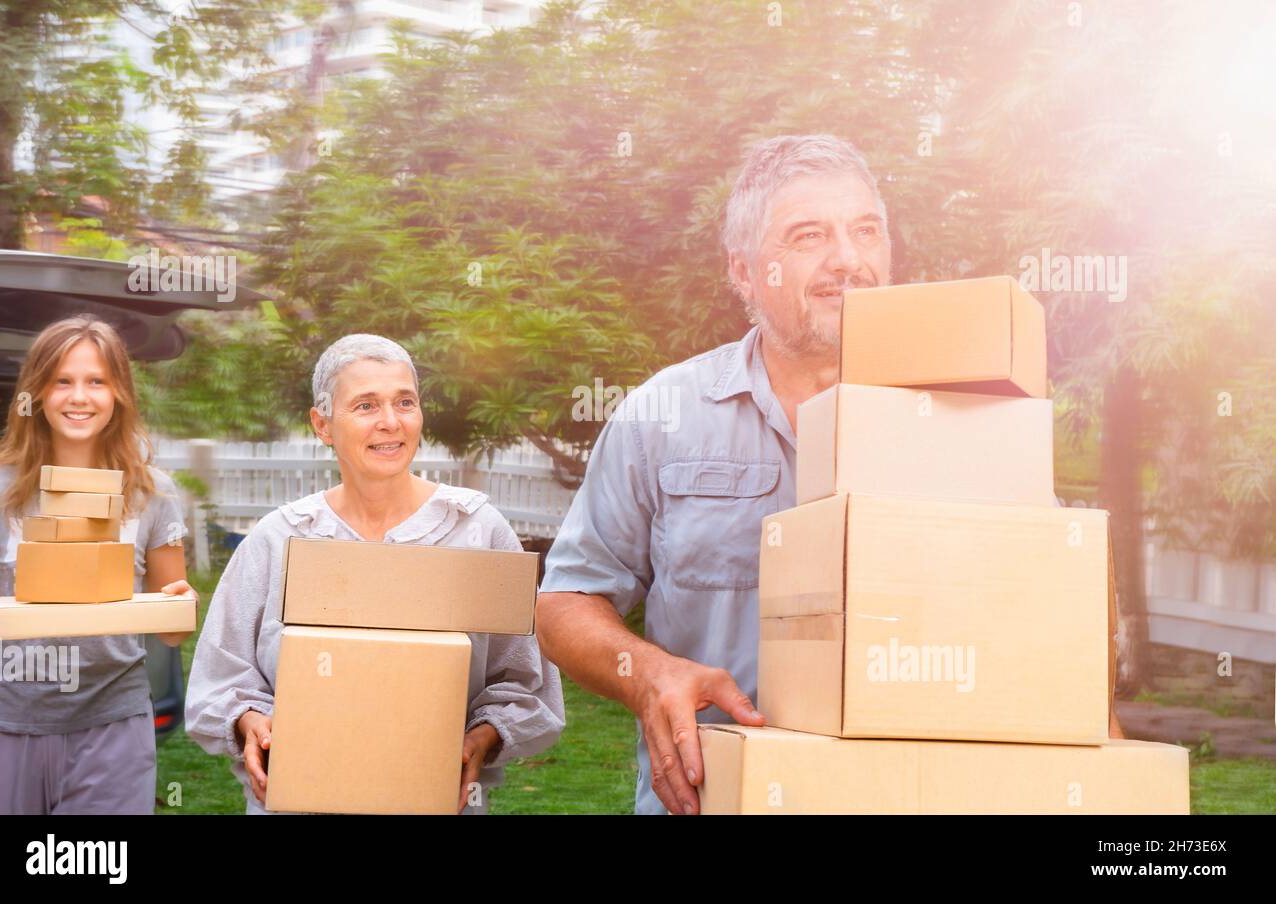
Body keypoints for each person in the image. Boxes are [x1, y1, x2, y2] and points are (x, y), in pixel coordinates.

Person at [537, 134, 1125, 815]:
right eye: (809, 235)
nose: (848, 260)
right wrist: (650, 677)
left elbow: (1058, 609)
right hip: (717, 800)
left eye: (866, 231)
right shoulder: (663, 415)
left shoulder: (969, 416)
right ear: (744, 269)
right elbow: (566, 600)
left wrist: (1117, 785)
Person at [184, 333, 564, 814]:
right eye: (365, 405)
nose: (390, 422)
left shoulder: (477, 531)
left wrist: (482, 738)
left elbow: (523, 678)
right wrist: (249, 720)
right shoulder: (279, 540)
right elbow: (222, 674)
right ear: (322, 424)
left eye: (404, 401)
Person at [0, 315, 196, 815]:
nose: (80, 397)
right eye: (62, 381)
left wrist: (180, 607)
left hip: (112, 722)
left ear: (118, 391)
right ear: (37, 391)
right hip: (6, 720)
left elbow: (173, 631)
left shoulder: (152, 494)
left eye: (97, 381)